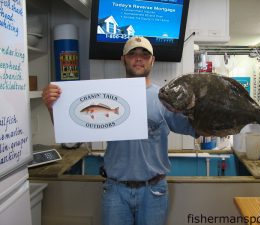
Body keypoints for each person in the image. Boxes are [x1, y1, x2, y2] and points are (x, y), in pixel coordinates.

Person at [42, 36, 197, 225]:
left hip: (154, 191)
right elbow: (69, 129)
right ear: (122, 59)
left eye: (144, 55)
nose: (138, 58)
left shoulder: (164, 99)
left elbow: (195, 128)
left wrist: (209, 110)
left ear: (153, 60)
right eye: (132, 54)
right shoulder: (108, 96)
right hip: (115, 190)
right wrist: (53, 107)